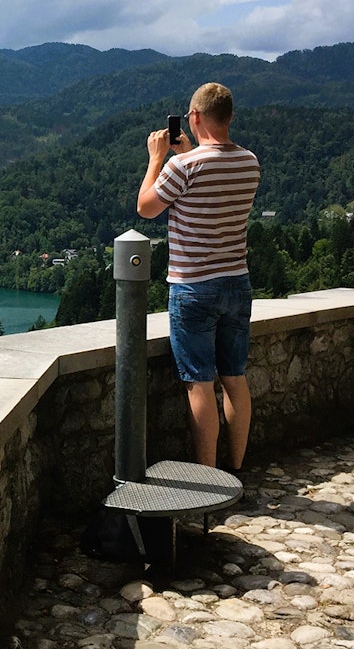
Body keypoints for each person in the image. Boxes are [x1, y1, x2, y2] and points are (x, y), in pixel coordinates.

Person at [137, 82, 261, 470]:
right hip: (237, 282)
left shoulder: (182, 167)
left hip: (193, 287)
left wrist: (156, 159)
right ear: (230, 117)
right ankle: (238, 468)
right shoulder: (249, 162)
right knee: (235, 379)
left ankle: (207, 476)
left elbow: (146, 207)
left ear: (193, 117)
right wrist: (188, 152)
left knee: (200, 384)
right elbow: (212, 181)